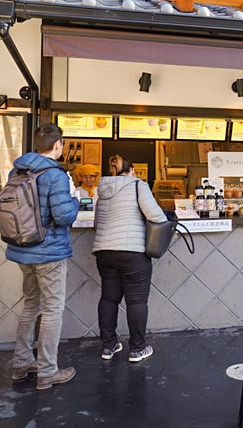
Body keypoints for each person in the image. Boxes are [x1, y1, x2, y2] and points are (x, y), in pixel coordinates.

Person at [7, 123, 79, 390]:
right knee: (52, 310)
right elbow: (63, 216)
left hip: (23, 249)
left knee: (30, 306)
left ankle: (21, 364)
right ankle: (47, 371)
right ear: (58, 145)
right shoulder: (55, 175)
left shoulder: (17, 170)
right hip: (49, 251)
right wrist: (74, 199)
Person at [92, 154, 166, 363]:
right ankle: (137, 349)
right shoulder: (137, 185)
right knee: (136, 301)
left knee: (108, 298)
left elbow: (97, 223)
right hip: (132, 252)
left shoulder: (103, 188)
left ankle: (108, 346)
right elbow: (156, 216)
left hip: (104, 252)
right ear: (132, 170)